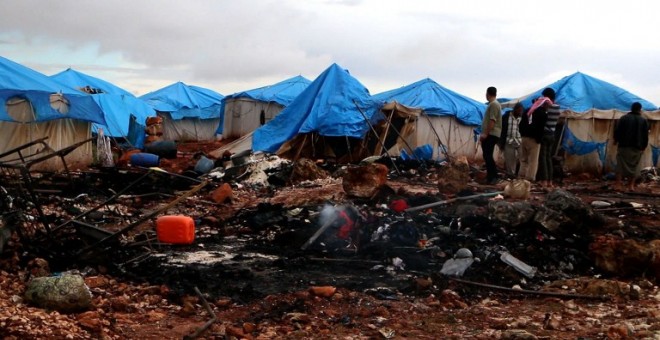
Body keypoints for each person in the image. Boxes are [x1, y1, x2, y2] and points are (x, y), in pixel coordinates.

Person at [613, 102, 650, 191]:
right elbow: (645, 135)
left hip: (624, 145)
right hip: (637, 147)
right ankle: (631, 186)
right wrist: (644, 145)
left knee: (620, 165)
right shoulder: (643, 120)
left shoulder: (624, 118)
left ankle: (618, 185)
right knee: (635, 166)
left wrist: (616, 140)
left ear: (631, 108)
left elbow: (618, 131)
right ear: (640, 109)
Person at [518, 94, 549, 182]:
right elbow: (541, 129)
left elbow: (520, 125)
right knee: (533, 161)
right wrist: (539, 140)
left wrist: (522, 135)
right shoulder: (542, 114)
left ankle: (521, 177)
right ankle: (529, 180)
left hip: (524, 138)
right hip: (534, 140)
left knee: (524, 160)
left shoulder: (527, 111)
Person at [537, 88, 560, 189]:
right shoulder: (557, 107)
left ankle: (544, 181)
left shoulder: (547, 107)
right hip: (552, 135)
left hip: (545, 134)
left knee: (543, 158)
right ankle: (550, 181)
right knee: (549, 158)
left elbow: (541, 115)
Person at [480, 86, 502, 185]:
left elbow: (492, 121)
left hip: (492, 133)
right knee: (487, 155)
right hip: (492, 133)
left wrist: (485, 133)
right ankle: (490, 177)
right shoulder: (494, 104)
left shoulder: (493, 104)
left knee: (488, 155)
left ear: (487, 93)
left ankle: (494, 176)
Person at [499, 103, 523, 178]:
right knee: (510, 160)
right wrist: (501, 143)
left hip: (519, 141)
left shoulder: (521, 118)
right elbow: (501, 129)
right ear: (515, 109)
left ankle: (519, 174)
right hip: (509, 140)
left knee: (522, 158)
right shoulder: (506, 117)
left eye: (521, 111)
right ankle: (511, 176)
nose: (520, 112)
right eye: (519, 111)